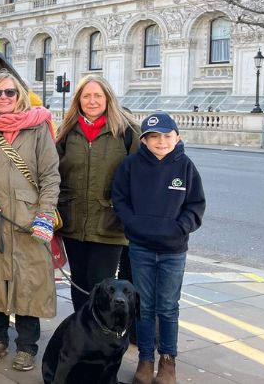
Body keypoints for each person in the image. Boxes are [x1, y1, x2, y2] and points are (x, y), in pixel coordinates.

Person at [0, 70, 59, 373]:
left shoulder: (38, 128)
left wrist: (45, 214)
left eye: (9, 92)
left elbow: (50, 176)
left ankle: (27, 346)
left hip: (28, 221)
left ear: (19, 95)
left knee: (29, 282)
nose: (3, 98)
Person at [112, 112, 205, 384]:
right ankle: (145, 358)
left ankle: (167, 360)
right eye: (154, 136)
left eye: (167, 136)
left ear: (177, 138)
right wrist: (133, 224)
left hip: (173, 250)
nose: (161, 142)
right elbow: (120, 200)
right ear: (144, 140)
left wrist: (178, 228)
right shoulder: (131, 165)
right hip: (140, 247)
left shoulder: (186, 167)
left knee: (167, 306)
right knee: (144, 306)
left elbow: (195, 206)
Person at [54, 75, 139, 312]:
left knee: (102, 284)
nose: (92, 101)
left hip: (109, 223)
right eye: (86, 96)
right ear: (78, 100)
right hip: (74, 219)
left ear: (108, 98)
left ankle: (102, 333)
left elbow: (140, 175)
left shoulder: (128, 130)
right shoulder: (67, 130)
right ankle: (82, 331)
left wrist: (127, 213)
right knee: (79, 282)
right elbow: (54, 172)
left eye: (97, 95)